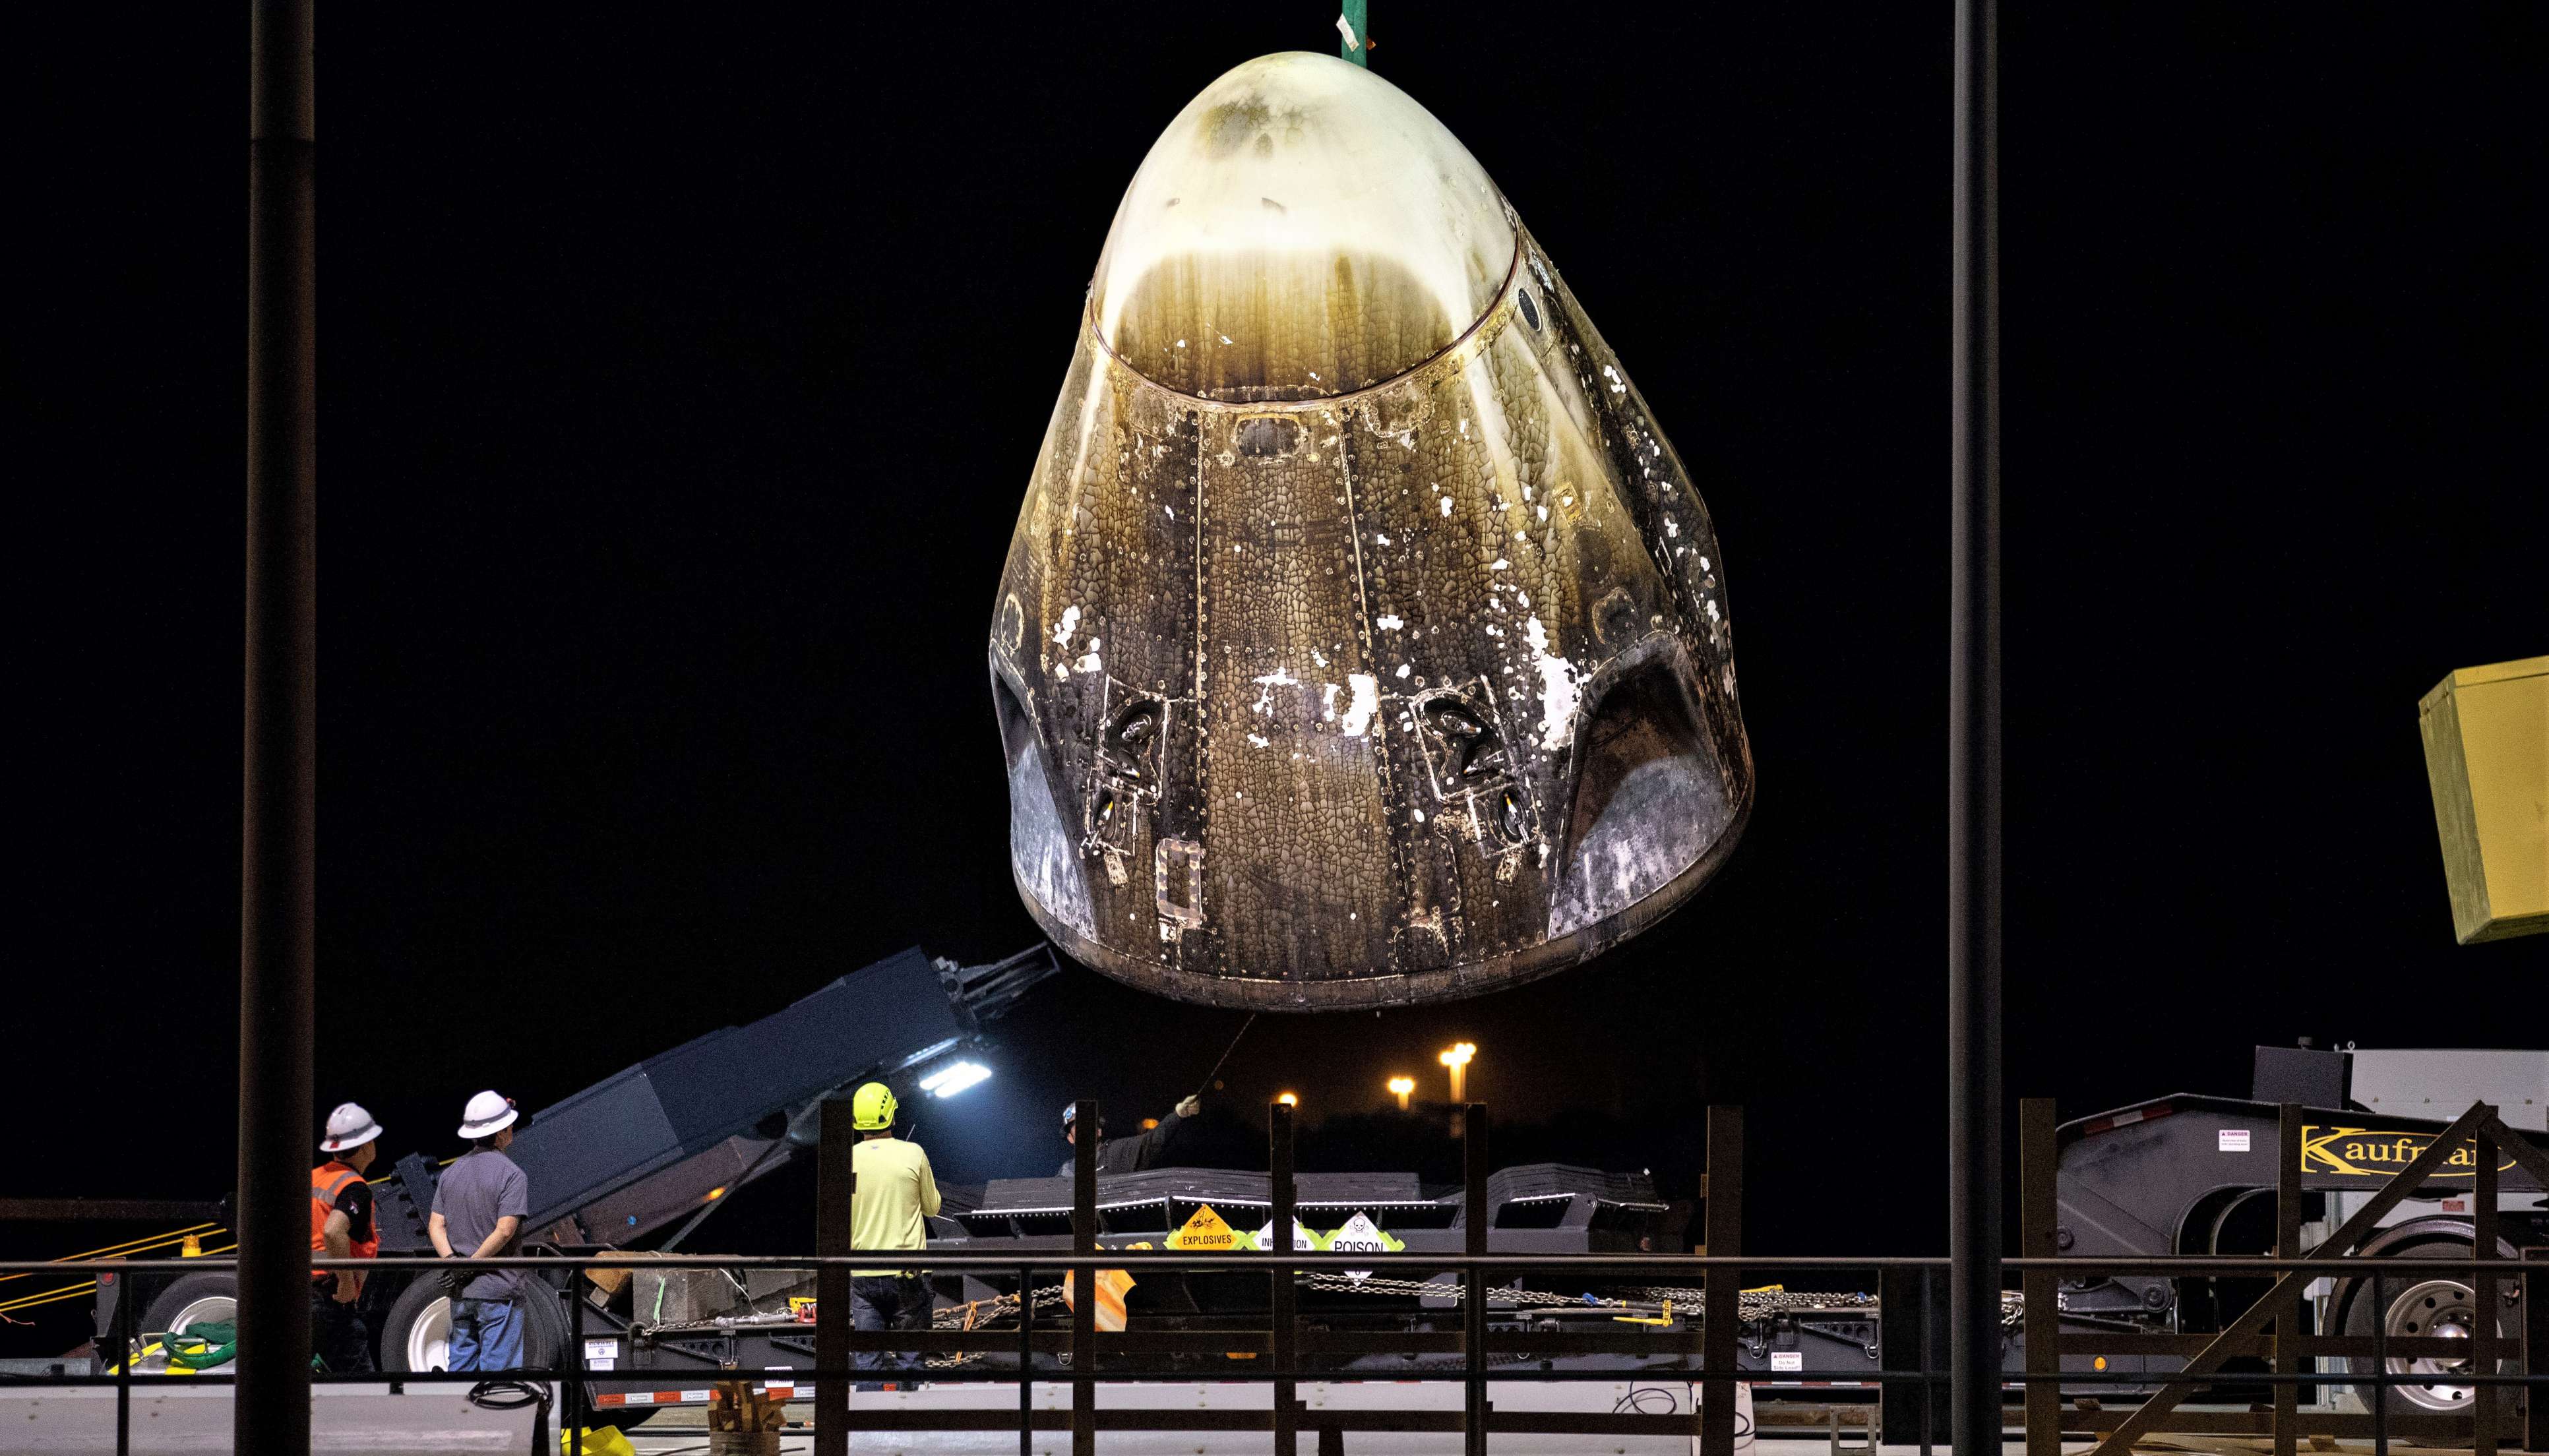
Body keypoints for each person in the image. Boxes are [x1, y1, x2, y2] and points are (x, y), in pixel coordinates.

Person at [845, 1081, 940, 1392]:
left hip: (862, 1275)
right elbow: (932, 1207)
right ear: (892, 1117)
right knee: (910, 1360)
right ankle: (907, 1431)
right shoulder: (913, 1153)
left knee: (868, 1363)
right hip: (908, 1274)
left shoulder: (847, 1160)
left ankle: (865, 1435)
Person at [429, 1090, 530, 1372]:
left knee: (461, 1367)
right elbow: (505, 1230)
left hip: (461, 1292)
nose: (512, 1131)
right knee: (498, 1375)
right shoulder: (512, 1175)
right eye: (509, 1126)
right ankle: (494, 1417)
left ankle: (461, 1416)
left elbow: (436, 1225)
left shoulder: (450, 1174)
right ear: (500, 1134)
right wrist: (472, 1265)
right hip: (498, 1288)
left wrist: (454, 1263)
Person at [309, 1102, 384, 1374]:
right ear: (366, 1146)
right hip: (329, 1299)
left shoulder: (315, 1178)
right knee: (358, 1381)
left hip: (300, 1294)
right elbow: (332, 1230)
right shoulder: (354, 1188)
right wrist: (345, 1283)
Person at [1056, 1094, 1200, 1176]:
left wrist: (1178, 1115)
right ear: (1070, 1138)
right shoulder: (1065, 1172)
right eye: (1077, 1126)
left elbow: (1153, 1142)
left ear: (1098, 1131)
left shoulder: (1117, 1152)